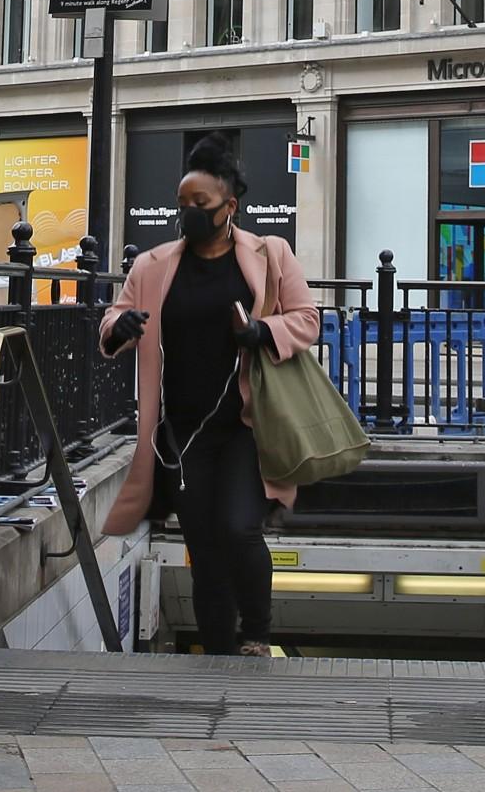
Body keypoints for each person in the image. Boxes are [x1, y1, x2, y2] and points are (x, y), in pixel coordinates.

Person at [97, 133, 321, 656]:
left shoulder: (272, 255)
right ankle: (218, 653)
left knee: (239, 527)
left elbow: (307, 319)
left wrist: (262, 333)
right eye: (182, 205)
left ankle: (257, 636)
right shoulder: (152, 265)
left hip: (247, 426)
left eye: (201, 205)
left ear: (229, 207)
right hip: (182, 432)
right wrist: (119, 324)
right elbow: (113, 317)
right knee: (203, 545)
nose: (189, 213)